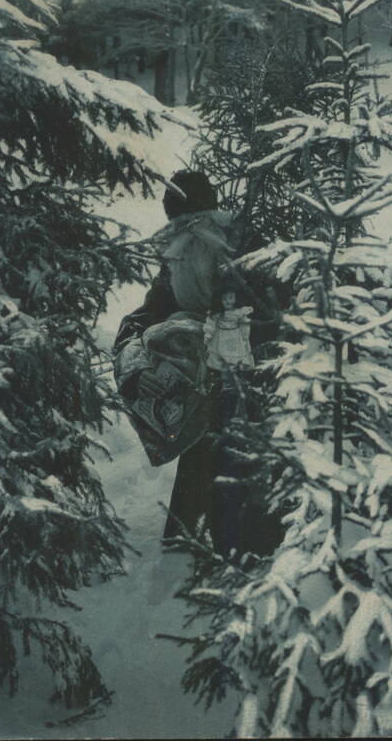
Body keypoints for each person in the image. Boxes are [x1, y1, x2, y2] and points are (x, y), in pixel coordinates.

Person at [113, 170, 284, 557]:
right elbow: (142, 322)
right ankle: (188, 565)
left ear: (212, 216)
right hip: (200, 408)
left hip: (253, 403)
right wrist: (138, 365)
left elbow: (279, 322)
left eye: (194, 222)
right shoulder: (182, 258)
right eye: (178, 225)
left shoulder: (252, 255)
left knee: (245, 513)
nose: (185, 234)